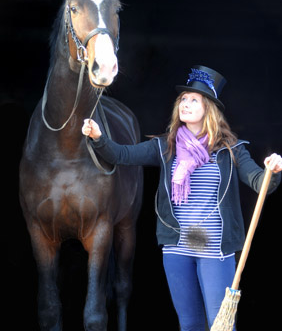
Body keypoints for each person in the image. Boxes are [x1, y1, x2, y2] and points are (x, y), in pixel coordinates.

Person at [82, 65, 282, 331]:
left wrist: (273, 169)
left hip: (215, 251)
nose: (185, 104)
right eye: (183, 100)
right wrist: (98, 137)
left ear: (209, 108)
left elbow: (261, 183)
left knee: (221, 325)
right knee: (189, 324)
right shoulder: (165, 146)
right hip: (177, 249)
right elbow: (121, 155)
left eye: (194, 100)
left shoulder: (230, 150)